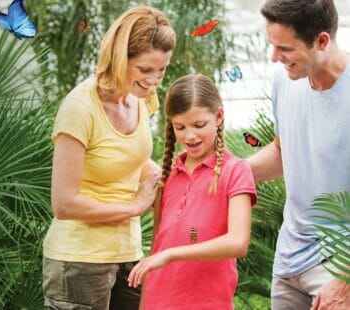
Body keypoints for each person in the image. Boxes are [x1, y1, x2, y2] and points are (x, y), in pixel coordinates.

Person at [41, 6, 176, 310]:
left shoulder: (140, 98)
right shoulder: (80, 107)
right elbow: (64, 203)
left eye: (162, 69)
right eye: (145, 69)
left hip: (127, 253)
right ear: (118, 57)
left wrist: (180, 177)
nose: (154, 80)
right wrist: (135, 206)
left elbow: (130, 159)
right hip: (78, 261)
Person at [247, 0, 350, 309]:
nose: (275, 57)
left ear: (321, 41)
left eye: (285, 49)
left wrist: (344, 281)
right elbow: (283, 151)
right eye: (273, 45)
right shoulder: (285, 79)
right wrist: (222, 170)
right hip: (289, 260)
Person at [127, 74, 258, 309]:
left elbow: (238, 242)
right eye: (180, 127)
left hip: (207, 301)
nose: (189, 136)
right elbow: (158, 244)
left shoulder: (236, 171)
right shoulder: (167, 175)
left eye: (199, 125)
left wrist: (171, 255)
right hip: (159, 300)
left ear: (218, 117)